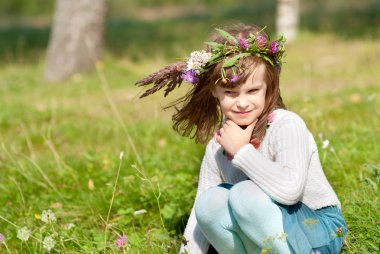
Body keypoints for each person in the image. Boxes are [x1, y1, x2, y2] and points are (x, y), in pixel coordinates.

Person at [135, 24, 347, 254]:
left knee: (244, 193)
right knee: (210, 202)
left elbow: (290, 191)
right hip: (263, 233)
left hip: (317, 228)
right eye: (231, 93)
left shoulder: (286, 125)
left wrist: (242, 152)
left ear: (269, 87)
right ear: (214, 91)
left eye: (253, 91)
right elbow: (200, 218)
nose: (242, 102)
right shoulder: (218, 145)